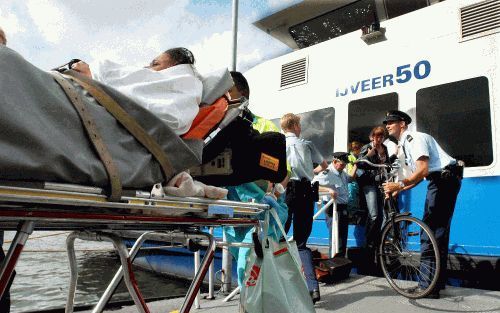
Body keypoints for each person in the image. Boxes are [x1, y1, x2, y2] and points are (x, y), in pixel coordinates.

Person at [382, 110, 463, 299]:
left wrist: (400, 183)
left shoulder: (413, 138)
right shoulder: (407, 142)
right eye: (386, 122)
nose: (387, 125)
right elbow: (422, 175)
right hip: (444, 180)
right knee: (438, 234)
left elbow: (423, 169)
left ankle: (427, 286)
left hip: (442, 180)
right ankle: (436, 284)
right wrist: (399, 190)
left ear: (403, 124)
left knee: (429, 232)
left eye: (391, 122)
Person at [71, 47, 202, 135]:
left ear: (174, 71)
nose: (146, 68)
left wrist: (96, 73)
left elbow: (167, 117)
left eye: (155, 64)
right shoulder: (183, 94)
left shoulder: (184, 89)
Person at [281, 113, 328, 303]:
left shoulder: (278, 145)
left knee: (278, 238)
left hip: (287, 191)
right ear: (295, 126)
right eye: (299, 124)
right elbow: (324, 166)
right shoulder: (307, 144)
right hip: (307, 192)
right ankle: (312, 289)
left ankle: (280, 287)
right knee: (301, 243)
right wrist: (310, 172)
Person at [357, 126, 395, 252]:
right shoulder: (367, 147)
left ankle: (380, 240)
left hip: (381, 182)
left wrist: (393, 161)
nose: (378, 138)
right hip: (369, 183)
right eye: (376, 136)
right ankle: (369, 242)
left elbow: (387, 165)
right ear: (372, 137)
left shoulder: (384, 148)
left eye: (381, 136)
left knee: (384, 213)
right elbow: (359, 164)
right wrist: (369, 155)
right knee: (374, 214)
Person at [313, 152, 356, 258]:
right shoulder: (328, 172)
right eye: (342, 164)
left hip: (343, 207)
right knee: (335, 236)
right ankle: (334, 261)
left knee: (342, 236)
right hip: (333, 208)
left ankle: (341, 262)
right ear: (334, 162)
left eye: (345, 164)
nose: (344, 166)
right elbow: (313, 185)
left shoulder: (341, 172)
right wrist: (328, 189)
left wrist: (356, 165)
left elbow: (350, 178)